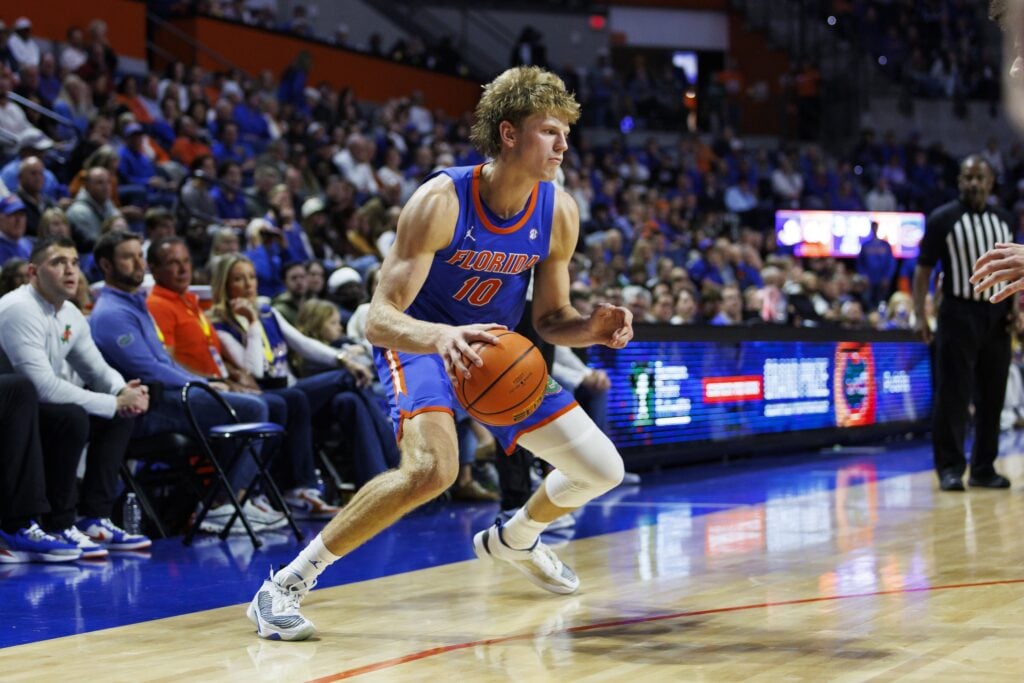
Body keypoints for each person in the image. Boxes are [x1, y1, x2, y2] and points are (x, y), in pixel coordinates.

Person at [247, 66, 632, 641]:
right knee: (432, 470)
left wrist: (591, 330)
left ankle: (517, 537)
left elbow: (551, 320)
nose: (563, 143)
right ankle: (284, 586)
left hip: (492, 355)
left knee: (603, 469)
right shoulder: (442, 199)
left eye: (566, 132)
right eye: (550, 130)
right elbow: (378, 319)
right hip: (419, 343)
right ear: (508, 134)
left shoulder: (560, 211)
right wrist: (439, 338)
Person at [0, 236, 152, 553]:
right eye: (57, 263)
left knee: (116, 416)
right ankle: (56, 521)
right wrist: (112, 402)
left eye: (73, 262)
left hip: (32, 408)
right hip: (14, 413)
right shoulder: (18, 309)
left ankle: (93, 518)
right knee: (74, 415)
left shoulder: (68, 312)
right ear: (32, 272)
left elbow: (97, 369)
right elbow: (40, 385)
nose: (70, 270)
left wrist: (124, 392)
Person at [913, 156, 1016, 492]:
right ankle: (950, 467)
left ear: (990, 182)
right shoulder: (942, 218)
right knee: (953, 393)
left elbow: (1013, 271)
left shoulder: (1005, 219)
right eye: (968, 177)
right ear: (959, 181)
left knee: (993, 395)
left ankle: (984, 467)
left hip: (998, 316)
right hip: (958, 312)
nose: (974, 183)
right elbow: (923, 270)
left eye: (980, 177)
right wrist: (919, 315)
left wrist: (1016, 311)